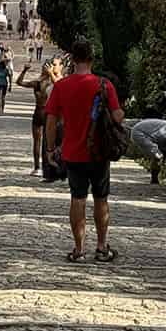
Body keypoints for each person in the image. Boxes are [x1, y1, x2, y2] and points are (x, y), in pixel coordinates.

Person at [44, 37, 124, 263]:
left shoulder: (61, 86)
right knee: (101, 198)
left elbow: (51, 120)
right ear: (91, 58)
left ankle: (79, 250)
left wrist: (50, 149)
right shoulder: (104, 85)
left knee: (77, 198)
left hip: (72, 153)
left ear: (73, 58)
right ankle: (101, 247)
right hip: (99, 152)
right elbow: (118, 116)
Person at [17, 57, 60, 174]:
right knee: (49, 141)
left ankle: (37, 168)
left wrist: (24, 71)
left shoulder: (37, 82)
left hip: (38, 111)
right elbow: (59, 86)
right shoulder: (53, 82)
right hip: (48, 113)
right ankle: (50, 166)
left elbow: (19, 82)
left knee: (37, 141)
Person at [129, 117, 166, 184]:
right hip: (139, 133)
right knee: (158, 156)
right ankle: (154, 180)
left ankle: (155, 179)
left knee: (159, 155)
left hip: (144, 131)